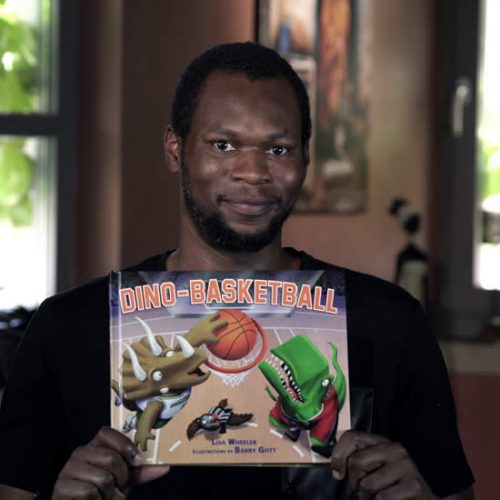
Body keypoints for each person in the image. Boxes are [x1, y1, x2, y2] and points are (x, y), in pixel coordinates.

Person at [0, 42, 473, 500]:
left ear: (306, 157)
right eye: (223, 145)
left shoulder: (390, 323)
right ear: (174, 149)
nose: (253, 171)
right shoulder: (67, 329)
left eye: (279, 149)